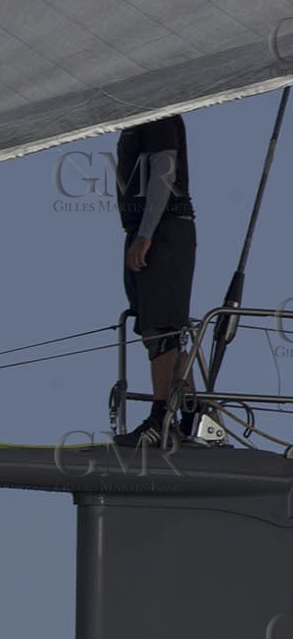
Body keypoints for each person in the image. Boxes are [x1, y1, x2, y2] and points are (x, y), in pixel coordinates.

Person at [114, 114, 196, 447]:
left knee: (162, 328)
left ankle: (161, 417)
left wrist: (146, 235)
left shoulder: (157, 109)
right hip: (144, 231)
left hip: (164, 229)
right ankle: (193, 414)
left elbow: (165, 168)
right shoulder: (137, 114)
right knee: (154, 326)